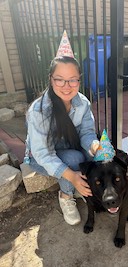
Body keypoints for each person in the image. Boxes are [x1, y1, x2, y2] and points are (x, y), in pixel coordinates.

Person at [24, 55, 99, 225]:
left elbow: (87, 133)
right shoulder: (39, 110)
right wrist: (71, 176)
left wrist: (96, 146)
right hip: (41, 159)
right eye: (60, 80)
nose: (66, 87)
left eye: (72, 80)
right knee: (75, 159)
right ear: (51, 79)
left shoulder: (83, 103)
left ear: (79, 80)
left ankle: (82, 185)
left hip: (69, 146)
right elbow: (42, 153)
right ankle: (66, 195)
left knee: (95, 157)